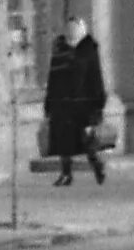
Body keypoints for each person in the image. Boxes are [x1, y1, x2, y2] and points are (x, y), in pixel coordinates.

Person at [43, 16, 108, 186]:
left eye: (74, 28)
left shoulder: (88, 50)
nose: (71, 31)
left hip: (83, 104)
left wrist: (97, 106)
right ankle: (66, 174)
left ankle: (97, 166)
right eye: (69, 28)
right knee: (63, 141)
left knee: (87, 140)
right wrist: (48, 103)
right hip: (62, 103)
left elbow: (96, 78)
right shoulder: (60, 49)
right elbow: (53, 77)